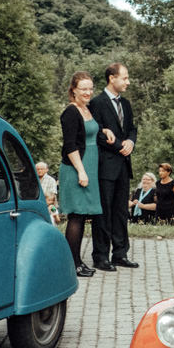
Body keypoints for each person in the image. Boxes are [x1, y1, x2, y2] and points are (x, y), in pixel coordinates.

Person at [89, 62, 138, 270]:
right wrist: (120, 146)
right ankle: (101, 256)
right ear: (112, 78)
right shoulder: (97, 103)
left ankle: (120, 253)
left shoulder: (125, 104)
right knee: (104, 212)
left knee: (120, 211)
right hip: (105, 166)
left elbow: (132, 128)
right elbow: (98, 134)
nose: (128, 82)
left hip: (123, 166)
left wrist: (131, 142)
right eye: (124, 78)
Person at [57, 72, 103, 276]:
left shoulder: (87, 109)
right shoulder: (70, 112)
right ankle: (71, 264)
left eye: (90, 88)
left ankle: (76, 260)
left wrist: (105, 132)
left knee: (82, 215)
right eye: (83, 88)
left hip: (89, 167)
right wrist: (81, 171)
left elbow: (90, 134)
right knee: (76, 216)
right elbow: (70, 145)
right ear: (73, 89)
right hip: (77, 168)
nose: (88, 92)